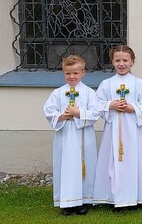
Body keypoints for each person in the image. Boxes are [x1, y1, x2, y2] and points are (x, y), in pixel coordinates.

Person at [93, 45, 142, 208]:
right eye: (117, 60)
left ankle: (137, 196)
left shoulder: (139, 83)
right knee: (112, 162)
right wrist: (110, 105)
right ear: (112, 62)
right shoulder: (106, 84)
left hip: (134, 129)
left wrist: (132, 108)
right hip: (113, 127)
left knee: (136, 160)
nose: (121, 64)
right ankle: (113, 197)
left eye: (125, 60)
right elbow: (96, 104)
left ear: (132, 61)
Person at [43, 55, 99, 216]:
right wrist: (62, 116)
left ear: (83, 72)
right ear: (63, 73)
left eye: (75, 73)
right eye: (68, 73)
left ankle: (82, 201)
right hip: (65, 136)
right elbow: (49, 111)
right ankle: (66, 202)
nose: (72, 76)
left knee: (83, 166)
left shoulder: (88, 93)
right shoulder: (58, 93)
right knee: (65, 167)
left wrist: (77, 113)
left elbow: (95, 114)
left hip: (83, 136)